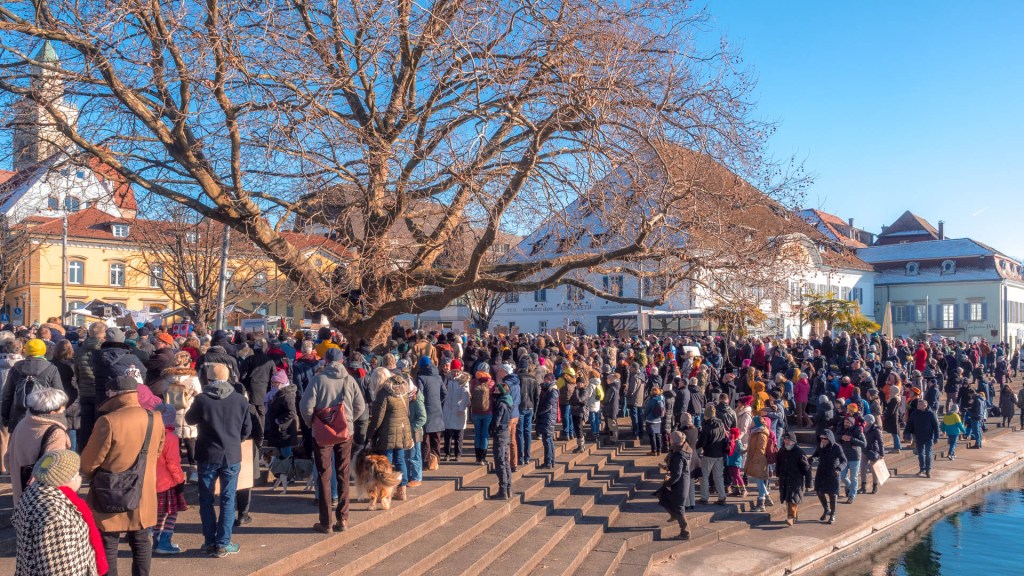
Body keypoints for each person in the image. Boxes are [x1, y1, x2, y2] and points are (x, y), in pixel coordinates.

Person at [80, 365, 164, 576]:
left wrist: (90, 475)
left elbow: (89, 462)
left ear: (114, 394)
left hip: (111, 489)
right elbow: (157, 452)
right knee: (142, 540)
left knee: (108, 542)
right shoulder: (155, 418)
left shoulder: (108, 421)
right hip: (143, 489)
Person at [184, 363, 252, 556]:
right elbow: (247, 429)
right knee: (228, 499)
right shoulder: (239, 400)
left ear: (209, 379)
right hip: (231, 454)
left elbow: (189, 420)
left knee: (206, 499)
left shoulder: (202, 399)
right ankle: (223, 542)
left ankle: (209, 541)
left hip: (207, 454)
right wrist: (235, 440)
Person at [301, 347, 367, 532]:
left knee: (324, 474)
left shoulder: (317, 379)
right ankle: (343, 518)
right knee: (343, 473)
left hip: (322, 434)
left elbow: (305, 406)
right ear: (342, 361)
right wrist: (348, 421)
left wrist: (312, 423)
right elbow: (360, 406)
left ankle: (325, 522)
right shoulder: (350, 379)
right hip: (345, 432)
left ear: (325, 361)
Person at [13, 449, 107, 576]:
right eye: (76, 473)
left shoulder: (33, 492)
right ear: (66, 478)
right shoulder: (54, 515)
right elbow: (58, 570)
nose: (80, 477)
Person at [8, 387, 72, 507]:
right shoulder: (55, 432)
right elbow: (53, 470)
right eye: (62, 407)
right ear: (52, 412)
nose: (64, 410)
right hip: (43, 500)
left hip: (21, 492)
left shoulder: (22, 423)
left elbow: (8, 457)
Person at [2, 338, 63, 432]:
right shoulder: (51, 369)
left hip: (18, 415)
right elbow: (58, 394)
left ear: (26, 350)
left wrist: (5, 416)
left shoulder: (15, 368)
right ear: (43, 350)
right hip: (43, 415)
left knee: (19, 445)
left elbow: (7, 395)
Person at [162, 351, 202, 481]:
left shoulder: (167, 377)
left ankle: (175, 470)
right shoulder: (192, 377)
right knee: (191, 441)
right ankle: (194, 470)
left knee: (174, 442)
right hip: (188, 410)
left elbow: (163, 392)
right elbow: (198, 392)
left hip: (171, 412)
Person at [153, 403, 187, 555]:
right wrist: (180, 480)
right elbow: (173, 463)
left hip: (149, 482)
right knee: (171, 512)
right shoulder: (171, 438)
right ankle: (165, 542)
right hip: (167, 482)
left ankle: (154, 540)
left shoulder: (148, 434)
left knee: (156, 514)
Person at [656, 431, 692, 540]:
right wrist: (668, 468)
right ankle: (674, 514)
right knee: (662, 495)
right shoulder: (685, 448)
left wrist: (667, 483)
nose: (670, 439)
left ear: (674, 440)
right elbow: (678, 469)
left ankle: (685, 533)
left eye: (671, 438)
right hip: (682, 481)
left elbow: (677, 474)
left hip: (680, 483)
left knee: (679, 507)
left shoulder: (678, 455)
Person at [775, 431, 812, 526]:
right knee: (788, 499)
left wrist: (809, 484)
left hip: (796, 480)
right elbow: (778, 465)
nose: (786, 442)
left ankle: (790, 517)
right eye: (785, 440)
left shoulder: (799, 452)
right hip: (784, 479)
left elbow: (807, 468)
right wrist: (778, 477)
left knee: (792, 498)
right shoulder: (782, 451)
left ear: (793, 441)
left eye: (788, 440)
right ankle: (793, 516)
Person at [416, 356, 445, 471]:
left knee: (426, 438)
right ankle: (437, 459)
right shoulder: (438, 377)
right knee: (436, 438)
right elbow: (445, 392)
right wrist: (438, 402)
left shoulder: (420, 378)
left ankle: (426, 461)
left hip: (425, 410)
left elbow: (420, 395)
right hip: (437, 410)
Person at [51, 339, 81, 451]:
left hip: (56, 400)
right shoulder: (74, 365)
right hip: (73, 400)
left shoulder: (50, 364)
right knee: (71, 432)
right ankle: (71, 461)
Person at [696, 404, 729, 505]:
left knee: (704, 476)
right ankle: (722, 496)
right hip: (719, 454)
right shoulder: (721, 424)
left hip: (709, 454)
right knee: (718, 476)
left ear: (706, 415)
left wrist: (696, 445)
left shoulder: (706, 426)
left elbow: (702, 442)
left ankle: (704, 497)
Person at [812, 430, 846, 524]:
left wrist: (839, 469)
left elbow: (844, 461)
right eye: (821, 438)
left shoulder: (837, 447)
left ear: (830, 438)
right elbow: (815, 455)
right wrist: (811, 460)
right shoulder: (820, 445)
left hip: (833, 472)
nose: (823, 440)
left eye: (825, 438)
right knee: (819, 491)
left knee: (833, 493)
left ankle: (833, 514)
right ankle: (826, 509)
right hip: (821, 472)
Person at [489, 377, 514, 500]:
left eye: (496, 391)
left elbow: (497, 421)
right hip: (506, 433)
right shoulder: (508, 401)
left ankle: (502, 490)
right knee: (505, 461)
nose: (494, 392)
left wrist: (492, 429)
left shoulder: (501, 404)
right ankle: (508, 489)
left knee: (500, 462)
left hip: (500, 434)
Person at [441, 362, 470, 461]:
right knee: (448, 434)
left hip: (459, 411)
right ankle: (447, 453)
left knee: (458, 434)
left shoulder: (463, 380)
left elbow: (465, 396)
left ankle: (458, 454)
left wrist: (461, 409)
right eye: (454, 371)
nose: (456, 374)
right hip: (448, 409)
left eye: (457, 371)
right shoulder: (447, 379)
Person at [904, 398, 940, 477]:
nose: (918, 406)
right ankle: (922, 469)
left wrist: (936, 437)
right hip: (918, 437)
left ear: (925, 405)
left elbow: (936, 426)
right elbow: (909, 424)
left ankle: (928, 470)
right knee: (920, 454)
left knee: (928, 453)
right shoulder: (914, 413)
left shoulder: (931, 414)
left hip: (928, 437)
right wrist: (905, 433)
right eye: (917, 404)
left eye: (920, 404)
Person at [836, 413, 866, 503]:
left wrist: (851, 439)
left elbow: (864, 444)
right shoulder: (841, 429)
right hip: (844, 457)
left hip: (855, 457)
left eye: (848, 423)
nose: (845, 424)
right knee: (842, 476)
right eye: (845, 422)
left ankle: (851, 496)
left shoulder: (858, 430)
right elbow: (835, 438)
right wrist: (841, 437)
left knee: (854, 477)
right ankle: (851, 487)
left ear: (852, 423)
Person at [744, 417, 772, 511]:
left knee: (759, 481)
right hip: (757, 459)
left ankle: (761, 504)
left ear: (756, 423)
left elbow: (761, 449)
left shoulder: (761, 433)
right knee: (759, 480)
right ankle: (767, 498)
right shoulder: (756, 431)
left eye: (752, 421)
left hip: (759, 460)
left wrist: (754, 460)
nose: (751, 423)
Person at [469, 369, 495, 465]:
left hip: (475, 412)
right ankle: (483, 459)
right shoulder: (491, 383)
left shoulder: (473, 383)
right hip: (488, 412)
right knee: (484, 435)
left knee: (477, 434)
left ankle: (477, 458)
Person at [405, 381, 427, 487]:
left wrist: (411, 427)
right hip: (408, 431)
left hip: (416, 431)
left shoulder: (417, 400)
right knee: (407, 455)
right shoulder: (409, 399)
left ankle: (416, 477)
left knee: (415, 455)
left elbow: (423, 418)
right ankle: (410, 476)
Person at [536, 373, 559, 469]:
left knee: (547, 440)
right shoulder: (549, 390)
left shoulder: (553, 391)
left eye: (547, 380)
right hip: (548, 418)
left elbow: (548, 406)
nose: (545, 381)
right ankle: (550, 461)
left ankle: (548, 462)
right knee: (548, 440)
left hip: (548, 418)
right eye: (545, 379)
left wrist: (539, 412)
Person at [860, 414, 885, 494]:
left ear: (870, 422)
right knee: (863, 468)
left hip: (873, 451)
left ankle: (875, 486)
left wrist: (882, 453)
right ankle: (863, 486)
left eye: (865, 420)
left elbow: (881, 442)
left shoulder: (876, 430)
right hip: (865, 450)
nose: (864, 422)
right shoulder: (863, 428)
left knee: (874, 470)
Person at [643, 387, 665, 456]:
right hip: (658, 420)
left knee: (652, 436)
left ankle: (653, 450)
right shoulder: (661, 399)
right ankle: (659, 450)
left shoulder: (651, 400)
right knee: (658, 435)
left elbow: (646, 410)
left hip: (651, 420)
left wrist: (644, 416)